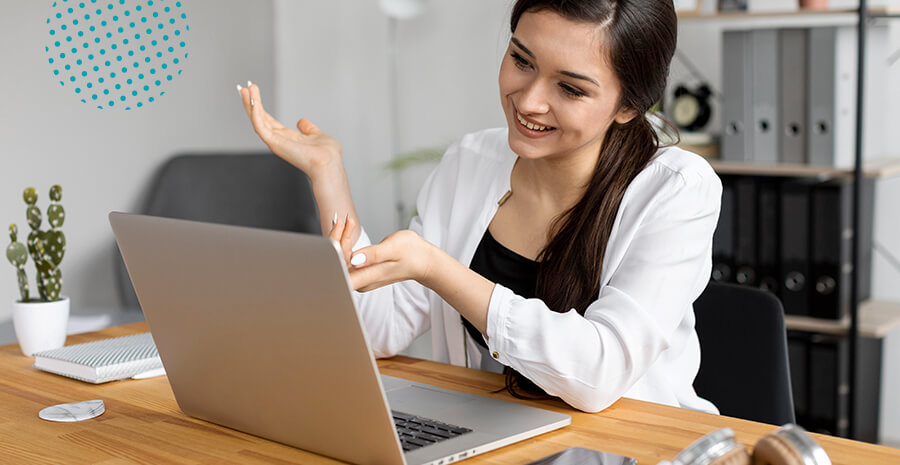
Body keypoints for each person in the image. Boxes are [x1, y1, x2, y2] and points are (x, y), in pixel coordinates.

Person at [237, 0, 720, 414]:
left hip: (627, 451)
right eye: (522, 60)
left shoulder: (676, 190)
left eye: (570, 88)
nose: (529, 101)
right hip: (494, 441)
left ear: (630, 105)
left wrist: (438, 270)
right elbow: (377, 329)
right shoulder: (471, 161)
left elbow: (598, 373)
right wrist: (328, 176)